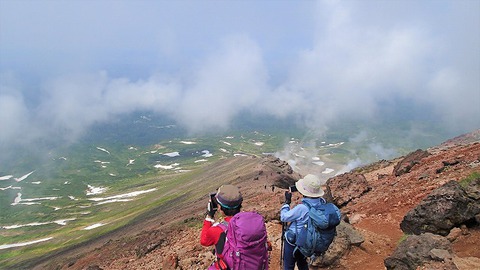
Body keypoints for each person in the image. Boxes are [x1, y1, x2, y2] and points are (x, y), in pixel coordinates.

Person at [280, 174, 326, 270]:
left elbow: (284, 217)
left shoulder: (302, 208)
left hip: (294, 241)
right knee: (302, 262)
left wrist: (287, 203)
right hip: (308, 240)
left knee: (288, 265)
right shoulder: (322, 202)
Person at [200, 184, 243, 269]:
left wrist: (209, 216)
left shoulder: (218, 229)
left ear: (219, 207)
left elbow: (204, 241)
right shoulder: (249, 222)